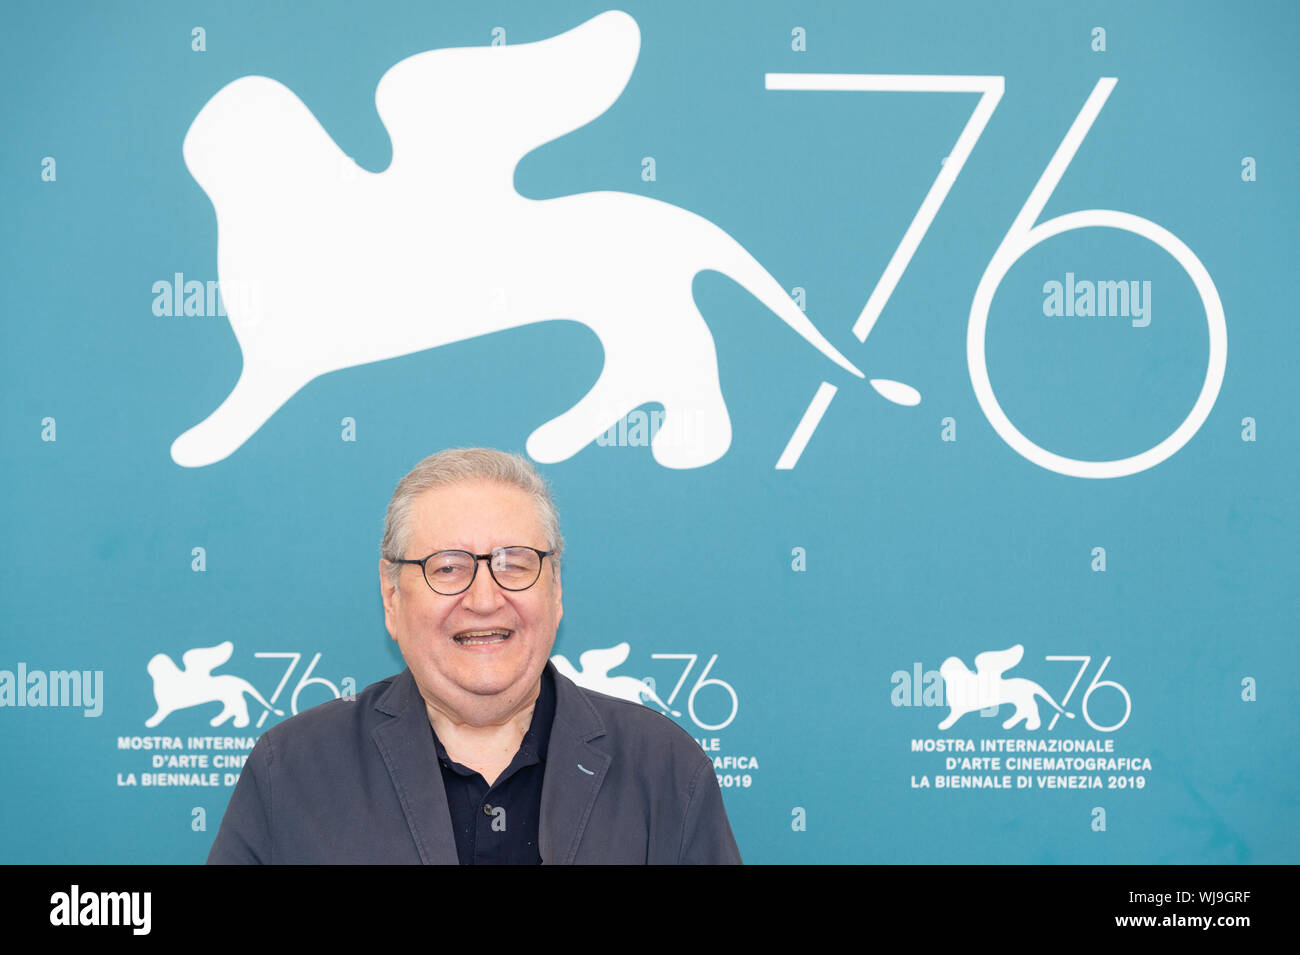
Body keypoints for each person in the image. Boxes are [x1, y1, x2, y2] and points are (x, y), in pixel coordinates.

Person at [207, 447, 742, 864]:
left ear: (555, 590)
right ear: (392, 598)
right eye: (447, 567)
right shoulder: (294, 770)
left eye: (514, 563)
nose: (485, 599)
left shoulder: (666, 770)